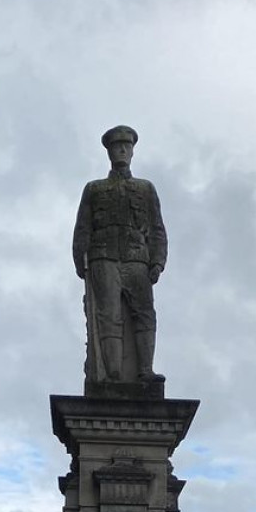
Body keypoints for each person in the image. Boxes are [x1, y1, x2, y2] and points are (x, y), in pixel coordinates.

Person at [72, 125, 167, 385]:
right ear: (110, 152)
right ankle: (111, 374)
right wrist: (80, 259)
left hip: (137, 259)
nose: (122, 150)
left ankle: (145, 371)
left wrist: (158, 261)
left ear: (133, 151)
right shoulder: (94, 189)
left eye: (126, 146)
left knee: (145, 314)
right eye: (117, 147)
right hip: (104, 258)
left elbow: (157, 228)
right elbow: (83, 227)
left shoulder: (146, 188)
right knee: (108, 315)